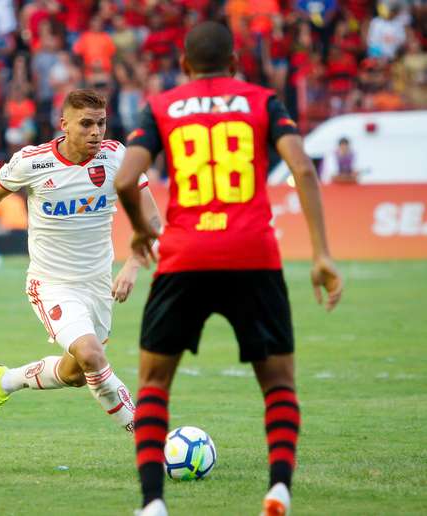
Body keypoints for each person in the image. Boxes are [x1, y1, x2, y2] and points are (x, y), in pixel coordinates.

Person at [114, 22, 344, 516]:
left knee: (154, 384)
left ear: (184, 66)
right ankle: (279, 488)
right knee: (279, 383)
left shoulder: (162, 106)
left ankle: (153, 502)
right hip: (253, 254)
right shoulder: (263, 100)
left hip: (185, 255)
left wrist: (138, 230)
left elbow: (127, 178)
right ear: (236, 63)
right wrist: (322, 253)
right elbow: (303, 168)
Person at [0, 89, 162, 435]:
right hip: (51, 284)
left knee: (76, 374)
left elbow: (152, 220)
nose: (96, 132)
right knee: (93, 355)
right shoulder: (33, 162)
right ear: (64, 124)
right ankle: (148, 436)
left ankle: (5, 381)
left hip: (98, 285)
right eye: (86, 124)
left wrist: (132, 265)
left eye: (101, 124)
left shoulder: (116, 157)